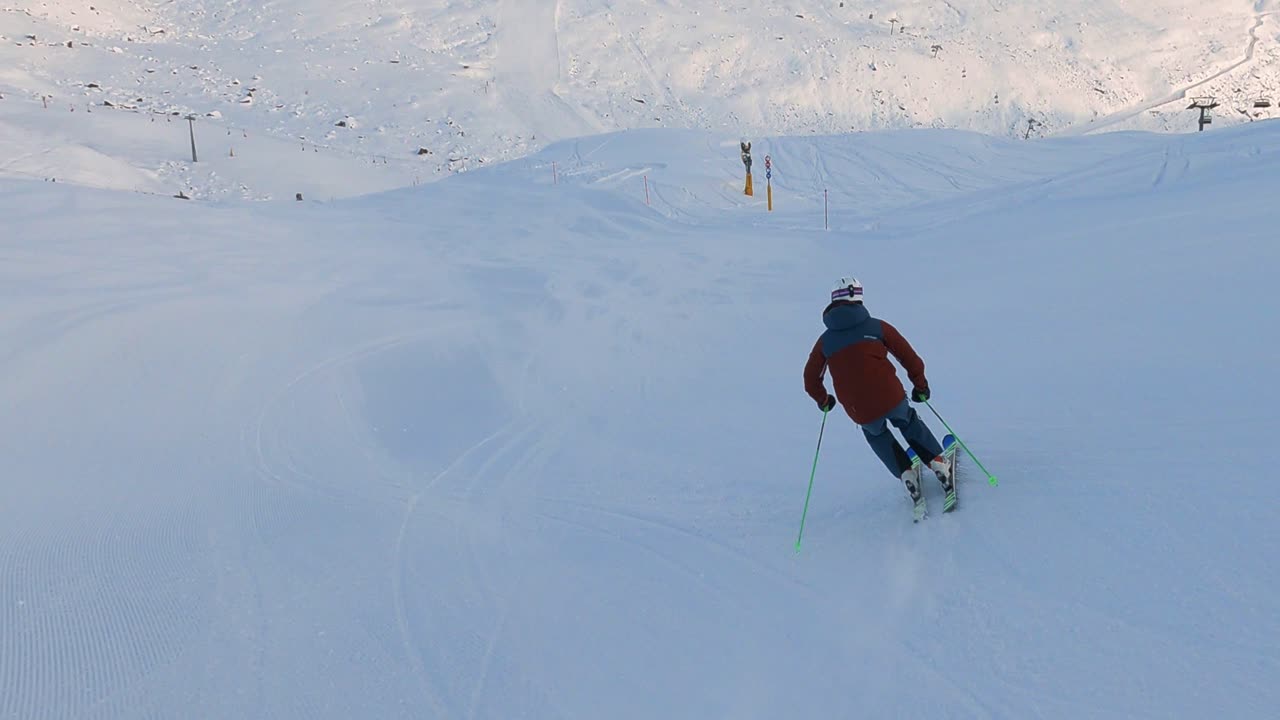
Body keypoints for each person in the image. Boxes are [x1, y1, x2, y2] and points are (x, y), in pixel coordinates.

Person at [803, 277, 954, 518]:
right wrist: (920, 386)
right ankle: (938, 463)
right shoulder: (877, 327)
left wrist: (824, 400)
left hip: (859, 409)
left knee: (877, 435)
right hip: (891, 396)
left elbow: (810, 379)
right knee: (908, 422)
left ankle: (907, 475)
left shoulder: (825, 342)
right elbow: (909, 358)